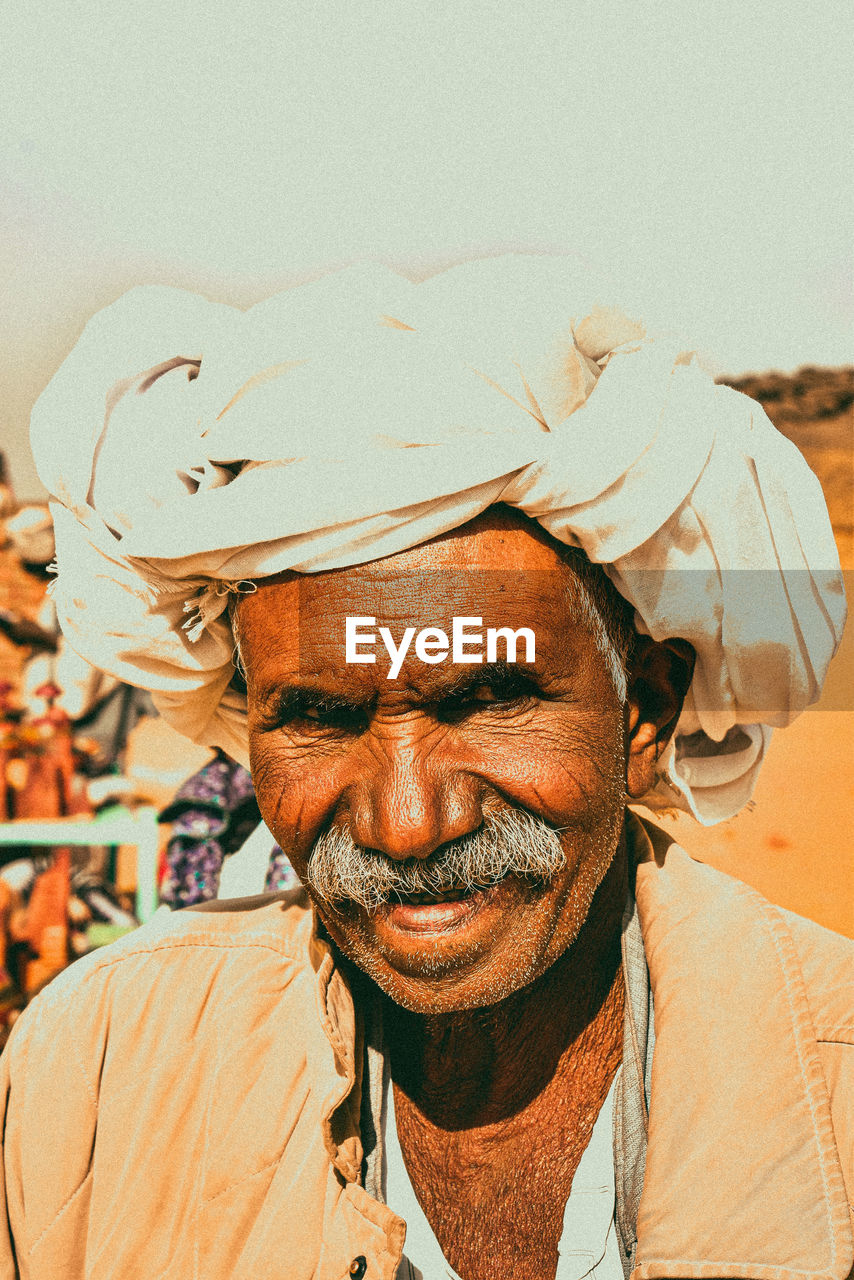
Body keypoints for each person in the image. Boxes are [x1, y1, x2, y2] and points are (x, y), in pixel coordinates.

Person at [2, 256, 851, 1279]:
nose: (407, 824)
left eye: (487, 701)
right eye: (317, 715)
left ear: (644, 709)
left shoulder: (832, 1083)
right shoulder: (94, 1083)